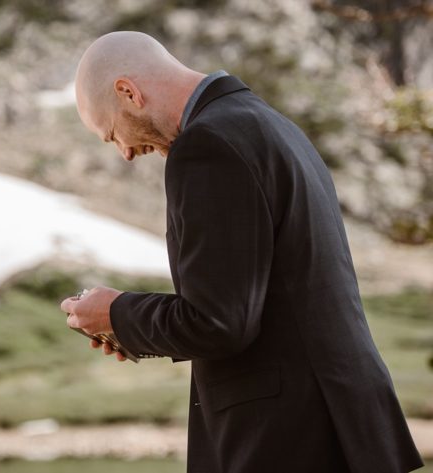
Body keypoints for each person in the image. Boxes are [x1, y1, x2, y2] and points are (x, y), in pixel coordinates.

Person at [61, 31, 423, 472]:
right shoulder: (267, 123)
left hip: (290, 438)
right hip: (338, 426)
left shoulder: (206, 146)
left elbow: (219, 322)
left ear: (128, 92)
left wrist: (116, 314)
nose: (126, 153)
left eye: (112, 133)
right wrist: (133, 329)